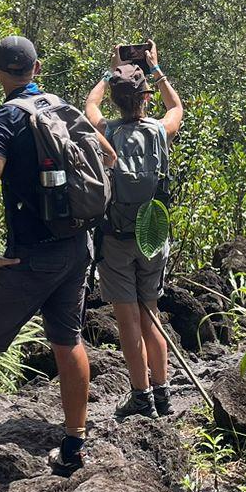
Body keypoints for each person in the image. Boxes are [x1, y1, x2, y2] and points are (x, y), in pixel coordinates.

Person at [0, 36, 116, 492]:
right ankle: (74, 445)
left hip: (29, 255)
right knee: (67, 338)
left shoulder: (3, 119)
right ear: (36, 67)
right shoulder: (62, 107)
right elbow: (110, 156)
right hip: (76, 247)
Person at [84, 44, 183, 420]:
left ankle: (141, 395)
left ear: (115, 97)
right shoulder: (160, 132)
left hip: (116, 240)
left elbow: (88, 108)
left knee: (127, 321)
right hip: (152, 236)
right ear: (144, 97)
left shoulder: (105, 131)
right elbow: (176, 108)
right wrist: (155, 69)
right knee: (151, 314)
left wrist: (109, 72)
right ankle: (164, 393)